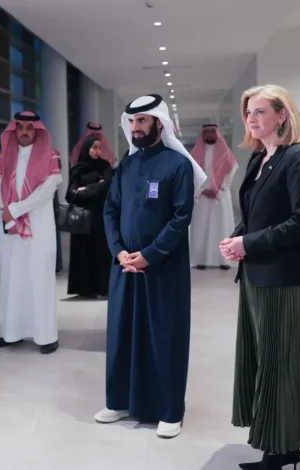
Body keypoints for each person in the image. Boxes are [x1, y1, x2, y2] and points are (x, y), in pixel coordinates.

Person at [220, 84, 300, 470]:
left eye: (260, 111)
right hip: (258, 275)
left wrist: (249, 243)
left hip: (285, 278)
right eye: (248, 112)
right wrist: (237, 238)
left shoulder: (298, 158)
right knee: (266, 361)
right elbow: (256, 213)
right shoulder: (261, 157)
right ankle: (283, 447)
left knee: (280, 366)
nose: (251, 118)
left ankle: (279, 451)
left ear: (282, 115)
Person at [96, 94, 207, 438]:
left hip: (163, 268)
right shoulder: (127, 165)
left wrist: (150, 254)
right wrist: (118, 251)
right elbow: (110, 210)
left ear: (160, 123)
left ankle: (170, 410)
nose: (136, 127)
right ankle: (119, 401)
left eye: (142, 121)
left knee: (164, 336)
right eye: (132, 121)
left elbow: (180, 217)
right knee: (122, 334)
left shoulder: (178, 165)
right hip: (124, 267)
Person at [0, 111, 63, 354]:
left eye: (29, 128)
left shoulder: (50, 157)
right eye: (20, 127)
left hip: (39, 229)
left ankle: (46, 336)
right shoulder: (4, 158)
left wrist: (15, 210)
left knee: (39, 279)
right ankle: (12, 333)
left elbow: (45, 193)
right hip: (10, 230)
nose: (24, 132)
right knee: (11, 279)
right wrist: (6, 214)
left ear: (37, 131)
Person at [65, 135, 114, 298]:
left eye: (100, 148)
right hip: (82, 217)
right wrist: (95, 188)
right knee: (82, 252)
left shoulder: (105, 166)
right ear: (87, 149)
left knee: (101, 252)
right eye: (94, 147)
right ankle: (83, 289)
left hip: (100, 217)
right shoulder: (78, 169)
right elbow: (70, 194)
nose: (97, 151)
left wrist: (85, 189)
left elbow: (107, 187)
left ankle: (102, 288)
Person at [189, 124, 238, 270]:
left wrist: (218, 189)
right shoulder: (195, 155)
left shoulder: (225, 153)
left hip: (220, 196)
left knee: (221, 227)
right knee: (201, 228)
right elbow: (190, 174)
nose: (210, 134)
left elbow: (231, 169)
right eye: (207, 132)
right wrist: (202, 190)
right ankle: (201, 260)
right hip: (202, 196)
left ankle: (224, 261)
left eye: (212, 131)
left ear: (217, 134)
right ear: (203, 134)